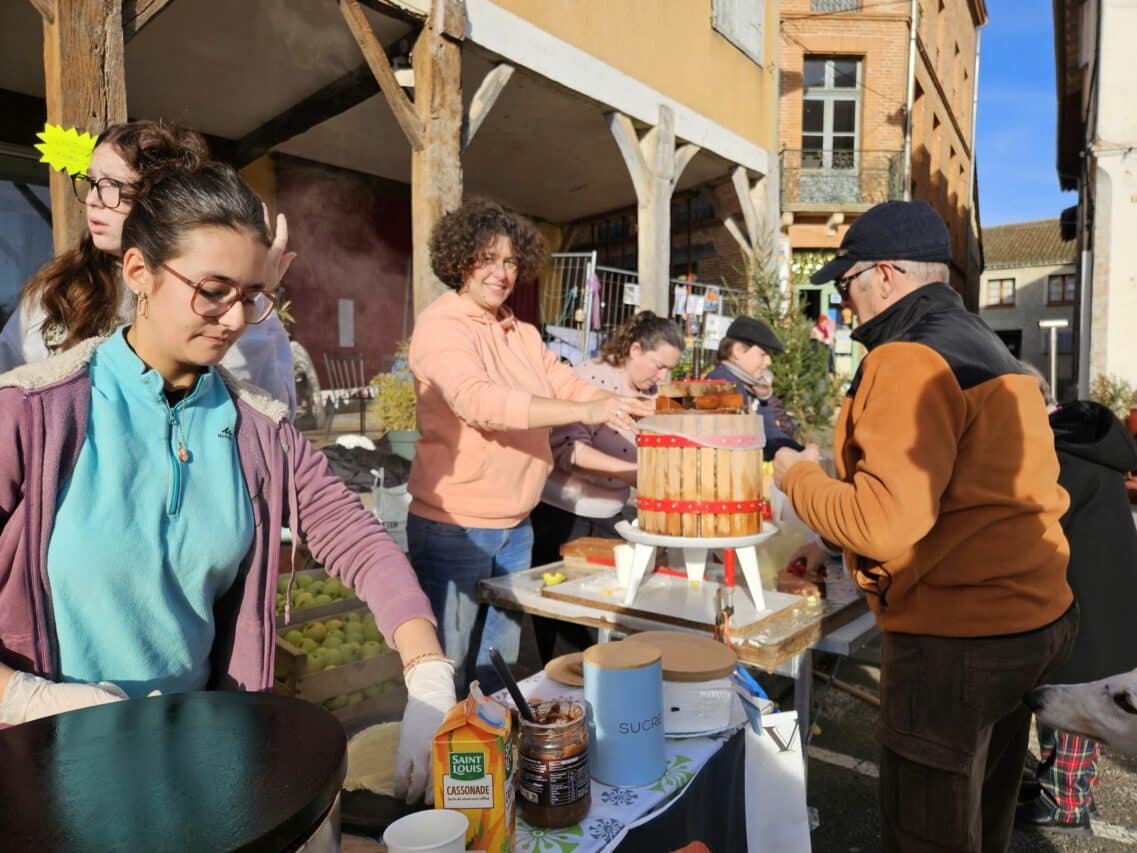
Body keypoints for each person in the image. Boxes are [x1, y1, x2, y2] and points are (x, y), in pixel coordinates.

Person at [0, 164, 452, 804]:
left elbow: (360, 541)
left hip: (190, 761)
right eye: (213, 290)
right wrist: (23, 696)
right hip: (46, 772)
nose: (236, 318)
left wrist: (428, 670)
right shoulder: (33, 416)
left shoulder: (257, 433)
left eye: (253, 294)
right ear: (139, 273)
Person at [771, 199, 1076, 852]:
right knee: (985, 814)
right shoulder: (989, 347)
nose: (844, 304)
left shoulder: (907, 356)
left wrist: (795, 474)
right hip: (1029, 620)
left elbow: (881, 525)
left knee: (928, 831)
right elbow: (966, 491)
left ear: (884, 274)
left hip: (956, 642)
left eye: (847, 285)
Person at [407, 198, 655, 694]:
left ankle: (490, 763)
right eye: (488, 258)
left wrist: (615, 402)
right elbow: (480, 402)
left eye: (510, 261)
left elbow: (562, 382)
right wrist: (585, 411)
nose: (502, 273)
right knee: (447, 672)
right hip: (456, 529)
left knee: (496, 668)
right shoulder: (443, 326)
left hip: (516, 526)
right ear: (460, 260)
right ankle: (444, 770)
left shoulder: (518, 331)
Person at [0, 120, 298, 416]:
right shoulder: (56, 287)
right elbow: (9, 370)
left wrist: (249, 290)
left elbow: (261, 410)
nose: (92, 200)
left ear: (159, 200)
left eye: (111, 187)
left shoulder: (218, 300)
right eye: (91, 183)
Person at [1015, 380, 1137, 835]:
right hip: (1111, 592)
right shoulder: (1093, 449)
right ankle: (1064, 785)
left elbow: (1036, 525)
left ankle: (1065, 801)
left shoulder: (1059, 457)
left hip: (1084, 596)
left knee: (1074, 700)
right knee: (1088, 696)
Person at [530, 310, 684, 662]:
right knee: (565, 619)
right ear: (633, 350)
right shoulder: (587, 379)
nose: (663, 376)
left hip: (609, 516)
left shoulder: (650, 392)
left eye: (669, 370)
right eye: (658, 365)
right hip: (562, 515)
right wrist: (632, 474)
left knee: (605, 611)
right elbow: (570, 450)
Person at [704, 315, 802, 459]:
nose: (768, 361)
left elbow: (770, 431)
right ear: (737, 351)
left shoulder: (752, 388)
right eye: (762, 354)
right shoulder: (722, 385)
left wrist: (799, 452)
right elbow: (743, 440)